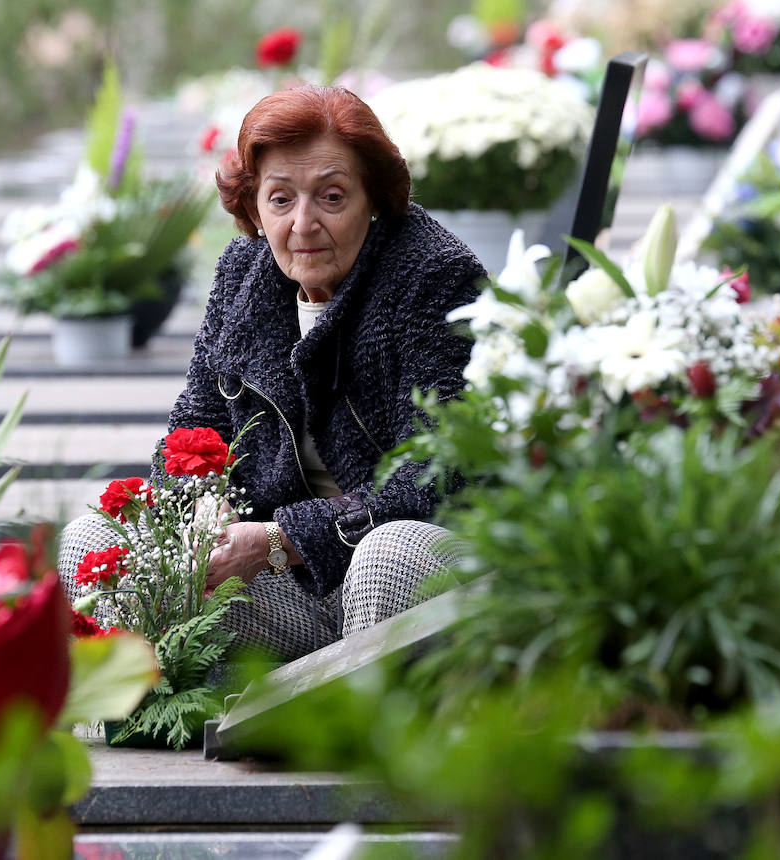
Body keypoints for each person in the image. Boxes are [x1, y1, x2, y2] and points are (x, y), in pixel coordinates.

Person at [58, 85, 486, 661]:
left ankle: (358, 728)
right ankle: (172, 704)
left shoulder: (435, 277)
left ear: (375, 199)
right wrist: (200, 507)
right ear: (253, 205)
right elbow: (193, 431)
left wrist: (283, 539)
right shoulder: (243, 276)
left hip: (410, 574)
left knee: (389, 556)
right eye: (280, 199)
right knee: (92, 542)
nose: (303, 225)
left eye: (331, 197)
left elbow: (443, 472)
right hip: (288, 593)